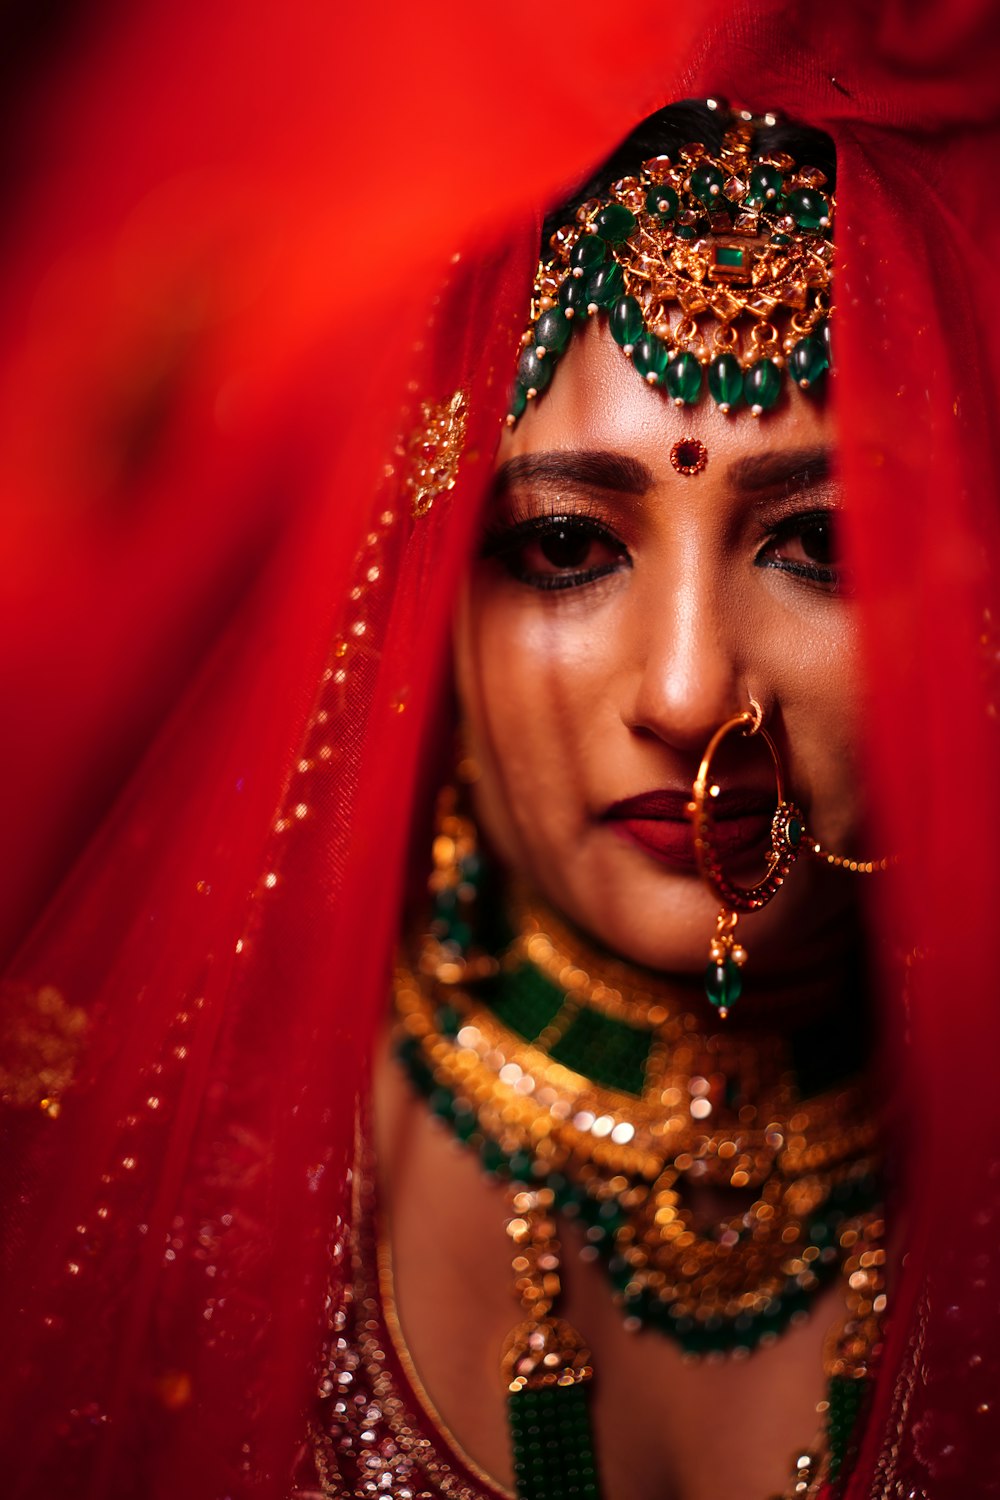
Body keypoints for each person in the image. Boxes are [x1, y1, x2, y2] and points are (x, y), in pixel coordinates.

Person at [1, 7, 999, 1500]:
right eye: (562, 544)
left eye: (821, 545)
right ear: (416, 597)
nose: (682, 689)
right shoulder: (162, 1184)